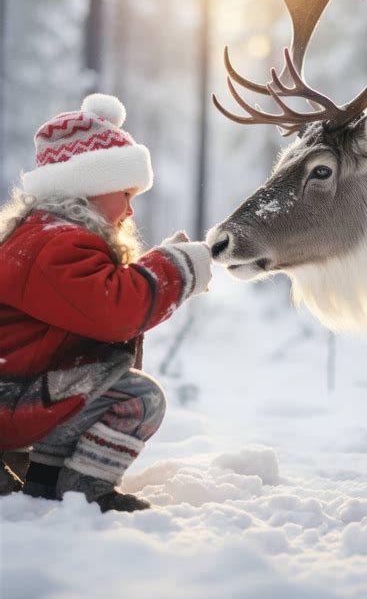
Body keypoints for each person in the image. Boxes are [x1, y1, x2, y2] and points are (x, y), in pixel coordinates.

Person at [0, 93, 212, 512]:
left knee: (94, 375)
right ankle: (84, 492)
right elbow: (118, 312)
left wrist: (160, 266)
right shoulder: (56, 245)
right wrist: (178, 268)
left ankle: (43, 480)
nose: (131, 211)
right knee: (136, 398)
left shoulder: (43, 235)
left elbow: (100, 304)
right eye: (126, 194)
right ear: (92, 188)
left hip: (17, 389)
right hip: (11, 398)